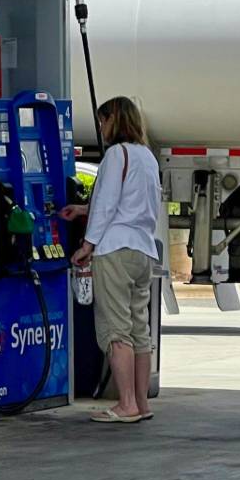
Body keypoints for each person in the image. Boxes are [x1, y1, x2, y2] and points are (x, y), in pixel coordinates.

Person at [60, 97, 160, 424]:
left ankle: (125, 404)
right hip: (143, 250)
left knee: (117, 331)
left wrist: (86, 245)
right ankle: (142, 403)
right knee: (139, 329)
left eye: (103, 121)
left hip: (114, 249)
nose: (101, 128)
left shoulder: (116, 155)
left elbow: (107, 203)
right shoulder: (147, 156)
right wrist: (84, 209)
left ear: (114, 121)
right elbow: (132, 202)